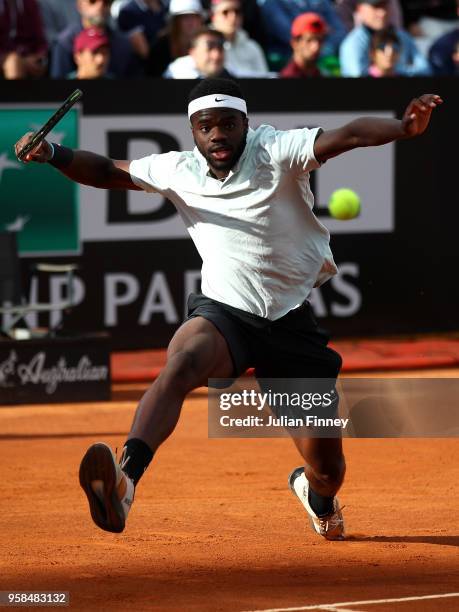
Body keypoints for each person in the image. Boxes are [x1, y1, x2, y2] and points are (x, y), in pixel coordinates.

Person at [14, 78, 443, 541]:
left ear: (246, 124)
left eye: (226, 124)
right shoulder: (178, 169)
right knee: (182, 363)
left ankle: (317, 496)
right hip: (225, 313)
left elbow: (349, 135)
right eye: (205, 127)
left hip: (290, 324)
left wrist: (403, 128)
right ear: (192, 131)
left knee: (328, 469)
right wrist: (53, 154)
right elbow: (107, 171)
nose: (216, 135)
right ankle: (125, 481)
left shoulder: (277, 150)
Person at [49, 0, 140, 78]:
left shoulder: (122, 44)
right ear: (80, 5)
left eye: (105, 2)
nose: (100, 6)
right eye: (92, 1)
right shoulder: (65, 42)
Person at [339, 0, 431, 76]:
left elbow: (425, 70)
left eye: (384, 5)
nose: (382, 12)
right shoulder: (353, 44)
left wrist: (394, 71)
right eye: (375, 7)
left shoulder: (403, 37)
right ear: (360, 9)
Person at [257, 0, 347, 70]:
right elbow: (290, 34)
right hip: (286, 58)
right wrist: (315, 43)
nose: (314, 46)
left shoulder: (321, 2)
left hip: (321, 58)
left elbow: (339, 31)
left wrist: (322, 47)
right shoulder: (272, 4)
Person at [145, 0, 206, 77]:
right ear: (175, 22)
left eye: (194, 16)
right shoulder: (161, 47)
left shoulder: (208, 43)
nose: (190, 21)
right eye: (184, 17)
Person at [209, 0, 270, 77]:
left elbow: (264, 77)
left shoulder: (253, 47)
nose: (233, 17)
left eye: (237, 12)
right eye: (225, 12)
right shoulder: (204, 48)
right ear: (213, 17)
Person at [0, 0, 48, 79]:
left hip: (30, 57)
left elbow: (40, 41)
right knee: (14, 64)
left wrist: (39, 57)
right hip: (7, 60)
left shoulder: (30, 3)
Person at [163, 27, 234, 78]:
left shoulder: (231, 77)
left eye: (220, 48)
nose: (216, 56)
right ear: (193, 53)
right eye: (209, 48)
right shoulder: (175, 74)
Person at [280, 12, 334, 77]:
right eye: (309, 40)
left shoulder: (322, 73)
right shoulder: (288, 75)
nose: (315, 47)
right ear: (295, 43)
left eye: (320, 40)